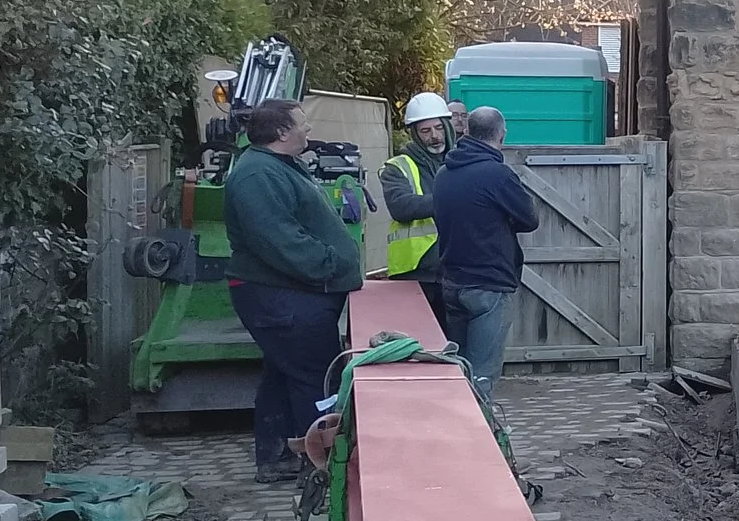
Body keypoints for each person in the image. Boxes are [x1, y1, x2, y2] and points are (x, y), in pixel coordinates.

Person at [221, 99, 363, 483]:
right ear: (282, 133)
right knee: (317, 378)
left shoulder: (276, 167)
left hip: (292, 294)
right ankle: (323, 467)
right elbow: (278, 240)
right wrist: (331, 264)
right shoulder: (257, 177)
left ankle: (278, 455)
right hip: (282, 296)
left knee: (284, 374)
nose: (308, 130)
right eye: (302, 123)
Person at [431, 105, 537, 398]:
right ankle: (481, 437)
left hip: (452, 282)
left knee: (458, 369)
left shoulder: (443, 174)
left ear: (466, 131)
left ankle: (453, 429)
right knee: (482, 376)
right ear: (501, 136)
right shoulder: (497, 174)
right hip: (489, 285)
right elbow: (530, 219)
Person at [378, 91, 454, 326]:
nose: (434, 136)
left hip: (455, 270)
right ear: (415, 134)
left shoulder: (459, 161)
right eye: (425, 131)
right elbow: (401, 206)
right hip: (415, 273)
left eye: (439, 128)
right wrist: (454, 200)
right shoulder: (397, 166)